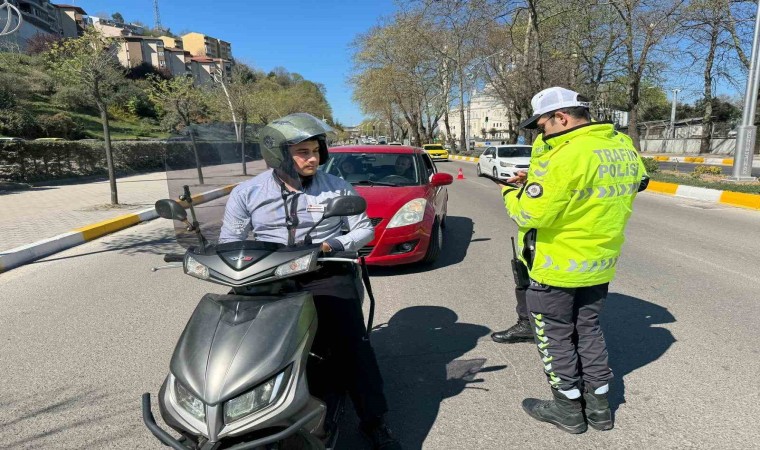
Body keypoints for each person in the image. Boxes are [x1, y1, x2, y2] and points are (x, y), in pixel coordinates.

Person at [218, 113, 401, 450]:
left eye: (316, 150)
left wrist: (334, 244)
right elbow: (230, 240)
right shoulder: (247, 193)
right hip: (266, 275)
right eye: (303, 152)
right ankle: (225, 412)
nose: (313, 158)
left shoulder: (337, 188)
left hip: (324, 273)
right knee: (234, 340)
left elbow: (363, 229)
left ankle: (373, 421)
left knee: (352, 347)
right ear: (280, 154)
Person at [498, 87, 648, 434]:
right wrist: (543, 183)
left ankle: (567, 409)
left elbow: (531, 214)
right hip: (599, 262)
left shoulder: (564, 155)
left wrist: (511, 190)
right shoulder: (620, 145)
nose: (542, 133)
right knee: (590, 332)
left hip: (556, 264)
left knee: (555, 337)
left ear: (561, 118)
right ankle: (599, 410)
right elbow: (638, 181)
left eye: (542, 126)